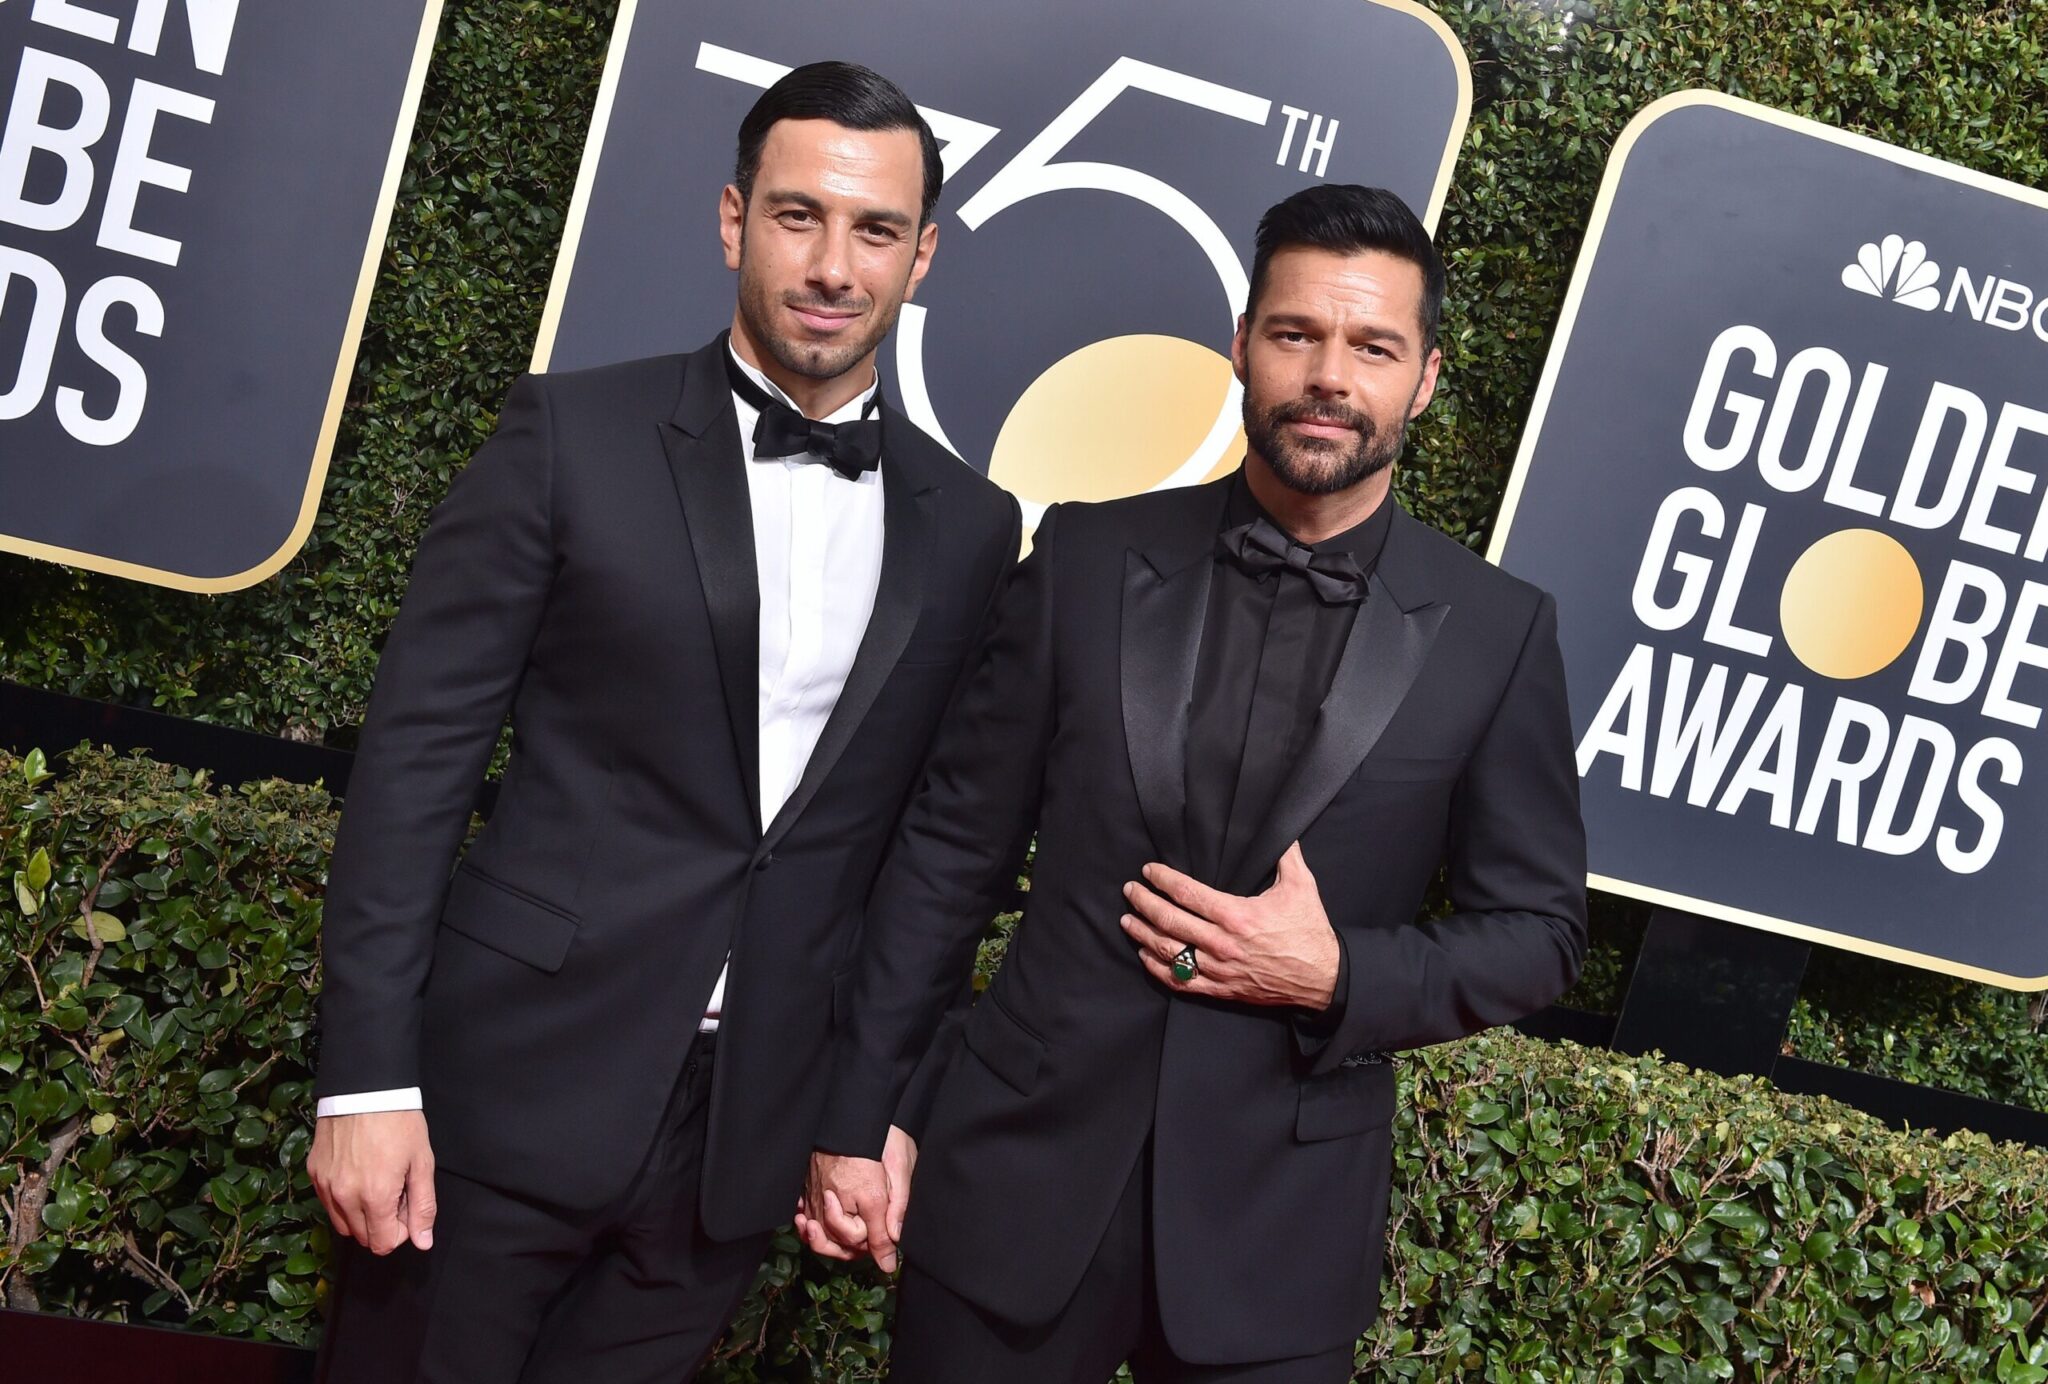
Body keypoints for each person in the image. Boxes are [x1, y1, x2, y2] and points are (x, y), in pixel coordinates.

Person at [306, 61, 1019, 1383]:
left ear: (921, 257)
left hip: (740, 1147)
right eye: (799, 215)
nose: (834, 266)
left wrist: (873, 1108)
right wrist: (365, 1082)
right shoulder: (570, 435)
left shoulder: (973, 528)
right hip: (498, 1102)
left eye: (875, 230)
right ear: (734, 220)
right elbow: (413, 767)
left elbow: (934, 857)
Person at [803, 184, 1589, 1383]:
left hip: (1276, 1234)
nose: (1328, 376)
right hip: (1016, 1182)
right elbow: (950, 853)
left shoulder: (1497, 633)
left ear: (1423, 378)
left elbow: (1538, 933)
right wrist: (862, 1116)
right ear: (1240, 344)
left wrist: (1337, 974)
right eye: (1295, 334)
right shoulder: (1084, 556)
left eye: (1372, 346)